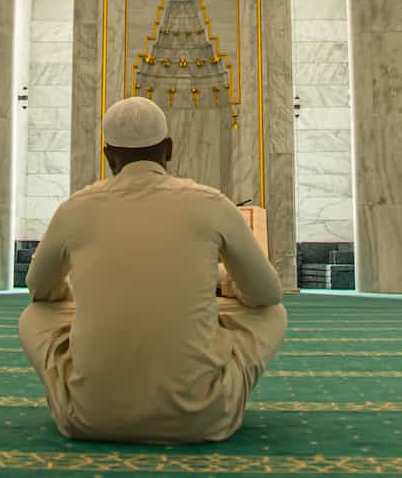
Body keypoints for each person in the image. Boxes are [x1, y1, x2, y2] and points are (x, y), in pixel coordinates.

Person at [18, 96, 287, 444]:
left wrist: (74, 301)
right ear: (169, 149)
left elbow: (39, 289)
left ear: (108, 156)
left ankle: (89, 392)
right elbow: (267, 294)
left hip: (87, 417)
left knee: (34, 315)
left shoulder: (75, 209)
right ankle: (210, 392)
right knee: (272, 313)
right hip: (202, 419)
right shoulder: (211, 204)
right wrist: (223, 286)